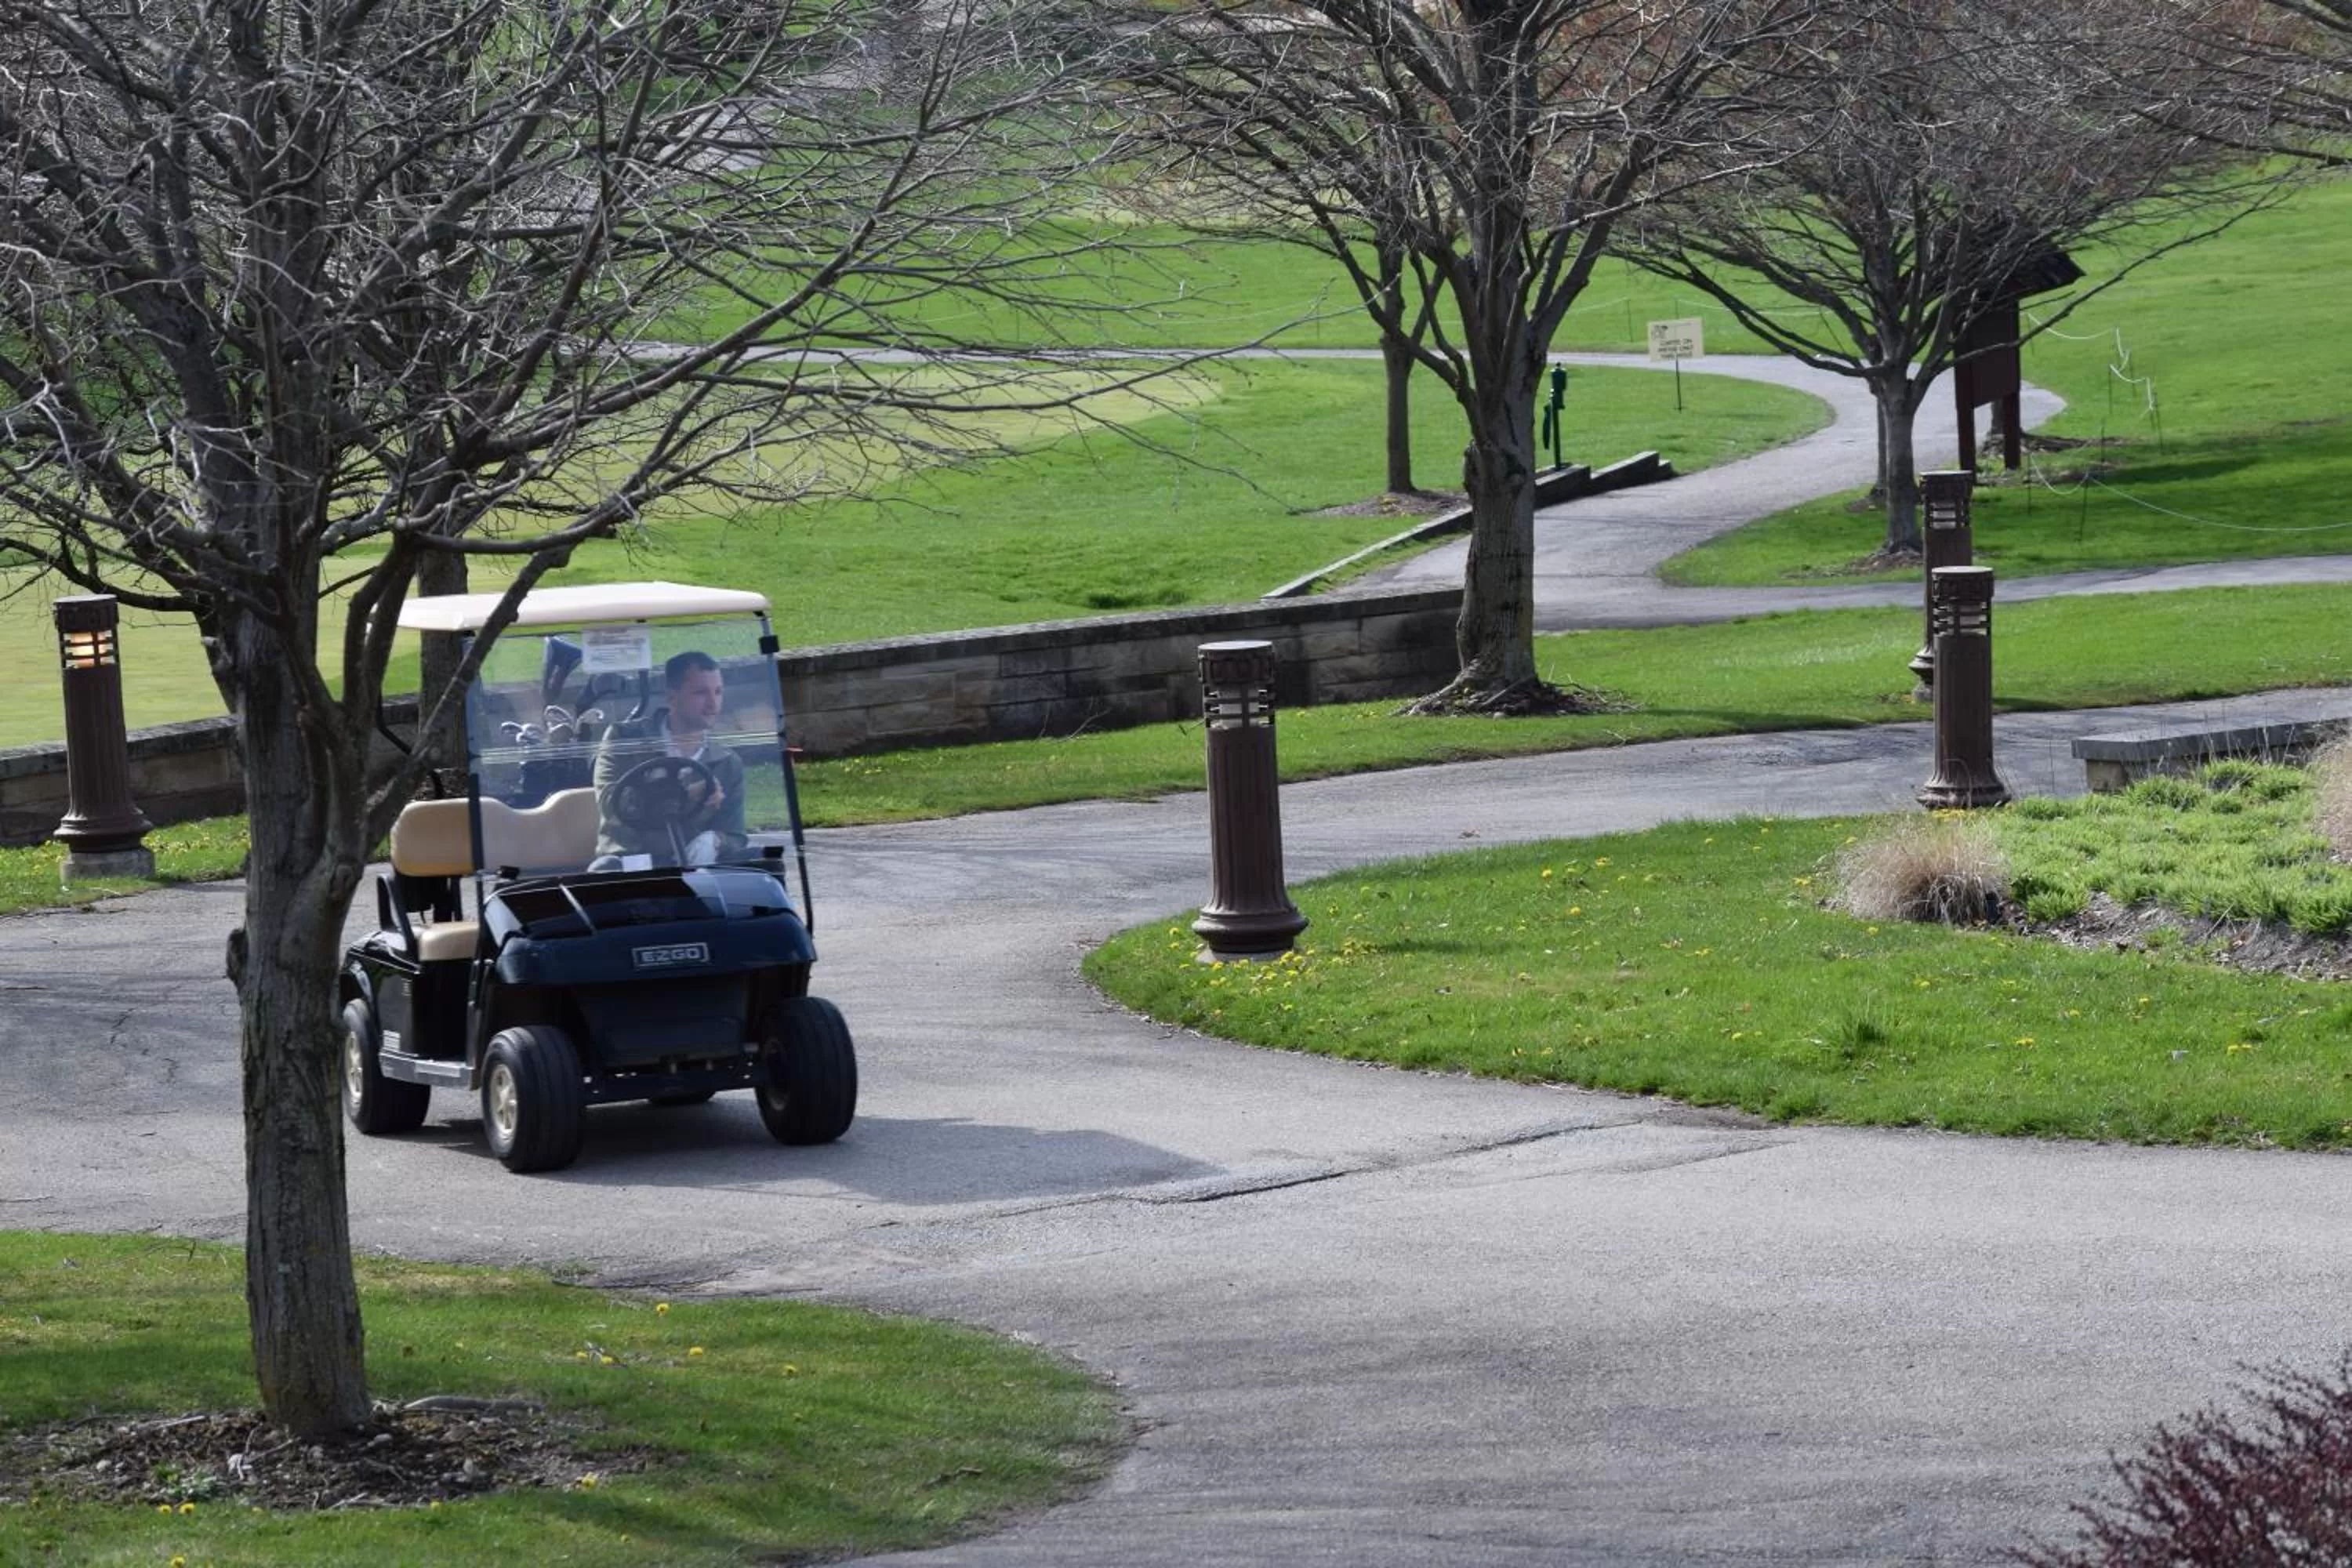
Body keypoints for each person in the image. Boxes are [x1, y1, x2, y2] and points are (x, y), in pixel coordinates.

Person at [590, 650, 749, 867]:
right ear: (672, 697)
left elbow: (735, 834)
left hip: (693, 864)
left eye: (718, 692)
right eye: (701, 693)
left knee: (761, 872)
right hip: (633, 860)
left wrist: (715, 841)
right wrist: (685, 794)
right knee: (604, 869)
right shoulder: (625, 738)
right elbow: (611, 803)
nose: (713, 704)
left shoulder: (728, 763)